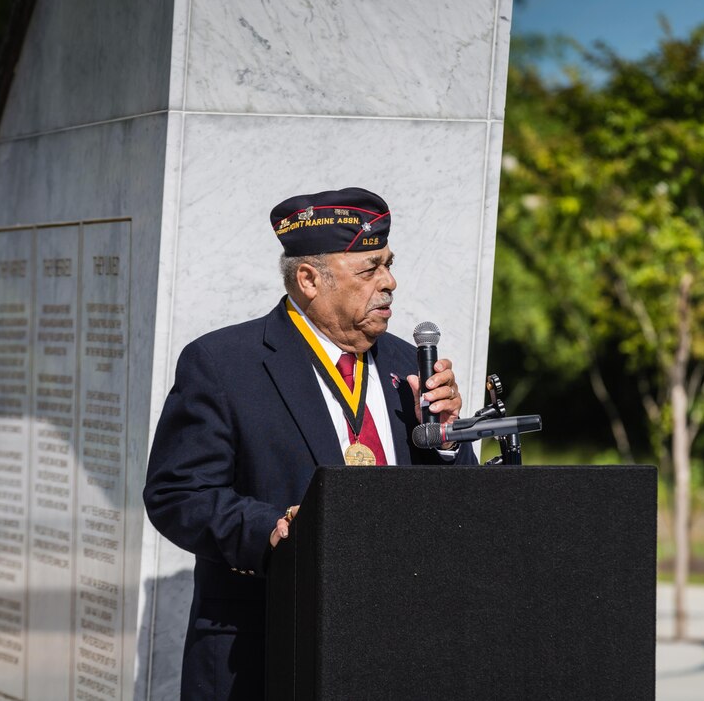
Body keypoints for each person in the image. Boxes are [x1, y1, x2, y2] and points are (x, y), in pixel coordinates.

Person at [143, 187, 477, 699]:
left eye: (388, 265)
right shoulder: (224, 363)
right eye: (369, 270)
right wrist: (272, 531)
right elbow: (177, 494)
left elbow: (458, 505)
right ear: (308, 279)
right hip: (268, 650)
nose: (390, 283)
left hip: (398, 647)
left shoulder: (405, 363)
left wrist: (449, 439)